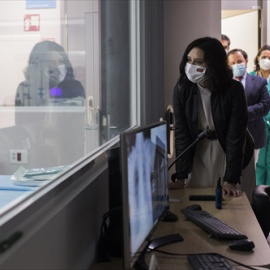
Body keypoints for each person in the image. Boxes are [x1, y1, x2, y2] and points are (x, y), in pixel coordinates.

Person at [170, 37, 254, 200]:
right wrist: (180, 176)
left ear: (213, 64)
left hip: (232, 153)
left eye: (199, 62)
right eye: (189, 60)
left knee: (232, 205)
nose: (192, 66)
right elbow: (181, 133)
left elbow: (235, 137)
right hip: (199, 150)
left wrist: (231, 179)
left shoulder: (234, 89)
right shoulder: (182, 89)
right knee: (196, 200)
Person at [227, 48, 270, 164]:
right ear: (228, 65)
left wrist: (243, 112)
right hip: (229, 134)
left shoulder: (259, 82)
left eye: (240, 61)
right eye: (233, 63)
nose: (237, 65)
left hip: (253, 133)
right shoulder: (224, 84)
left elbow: (265, 106)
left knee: (251, 169)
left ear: (246, 61)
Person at [15, 40, 85, 106]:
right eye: (50, 62)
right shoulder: (25, 88)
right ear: (38, 66)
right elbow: (21, 117)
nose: (57, 67)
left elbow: (80, 116)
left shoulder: (74, 87)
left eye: (60, 62)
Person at [249, 45, 270, 185]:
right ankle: (256, 198)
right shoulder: (250, 78)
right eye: (264, 57)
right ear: (257, 58)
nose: (267, 60)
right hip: (255, 127)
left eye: (269, 58)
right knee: (257, 164)